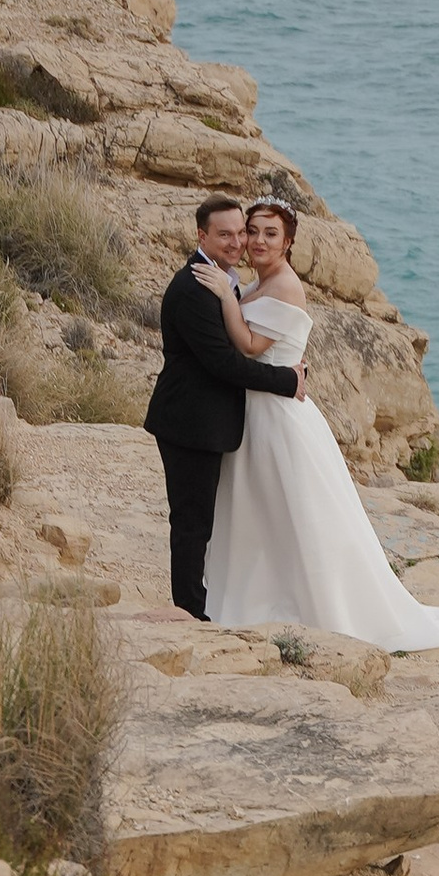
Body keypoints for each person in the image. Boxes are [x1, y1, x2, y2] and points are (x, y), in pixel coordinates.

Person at [200, 201, 439, 651]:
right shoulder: (257, 283)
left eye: (270, 234)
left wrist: (226, 298)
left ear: (288, 243)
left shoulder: (282, 287)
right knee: (259, 512)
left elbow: (246, 344)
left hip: (279, 418)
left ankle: (322, 608)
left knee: (299, 514)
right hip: (258, 411)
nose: (258, 241)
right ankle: (255, 599)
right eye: (253, 232)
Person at [142, 195, 303, 619]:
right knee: (192, 522)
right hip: (190, 421)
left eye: (241, 232)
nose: (238, 242)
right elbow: (224, 362)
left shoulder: (227, 279)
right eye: (227, 234)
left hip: (218, 421)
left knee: (215, 520)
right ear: (202, 235)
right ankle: (190, 611)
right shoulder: (196, 286)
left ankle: (212, 601)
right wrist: (287, 380)